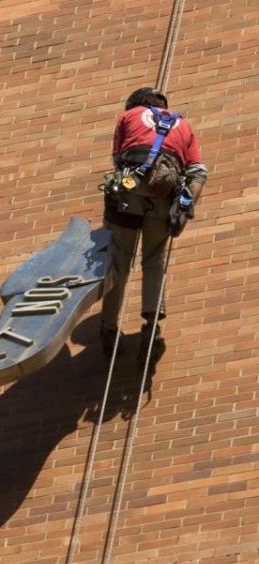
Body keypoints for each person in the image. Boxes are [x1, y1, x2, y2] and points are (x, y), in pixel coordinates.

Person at [100, 87, 207, 362]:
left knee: (119, 260)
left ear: (134, 104)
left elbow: (117, 159)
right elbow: (197, 173)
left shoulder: (128, 116)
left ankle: (109, 329)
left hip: (130, 192)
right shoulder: (183, 124)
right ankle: (151, 326)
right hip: (164, 193)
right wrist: (184, 208)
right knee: (154, 258)